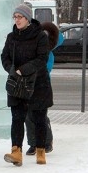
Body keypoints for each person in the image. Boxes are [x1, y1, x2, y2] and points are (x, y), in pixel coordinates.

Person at [1, 3, 53, 166]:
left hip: (38, 83)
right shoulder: (11, 37)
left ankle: (40, 151)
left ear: (27, 19)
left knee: (39, 118)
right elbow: (4, 56)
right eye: (15, 17)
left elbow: (42, 59)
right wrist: (11, 70)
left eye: (20, 17)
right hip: (17, 83)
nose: (16, 20)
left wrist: (23, 70)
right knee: (17, 118)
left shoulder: (40, 36)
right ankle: (16, 152)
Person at [25, 21, 62, 156]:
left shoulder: (48, 54)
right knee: (28, 115)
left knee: (40, 115)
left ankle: (46, 142)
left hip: (42, 86)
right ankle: (33, 143)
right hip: (28, 85)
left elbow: (46, 68)